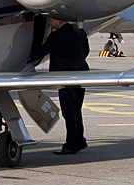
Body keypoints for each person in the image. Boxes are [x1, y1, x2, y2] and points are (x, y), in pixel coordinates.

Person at [28, 17, 90, 155]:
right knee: (76, 110)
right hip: (81, 75)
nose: (50, 23)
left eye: (52, 21)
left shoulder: (57, 35)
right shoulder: (80, 32)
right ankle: (80, 140)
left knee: (69, 112)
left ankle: (71, 145)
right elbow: (86, 51)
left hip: (66, 78)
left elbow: (42, 51)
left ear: (60, 21)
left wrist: (27, 58)